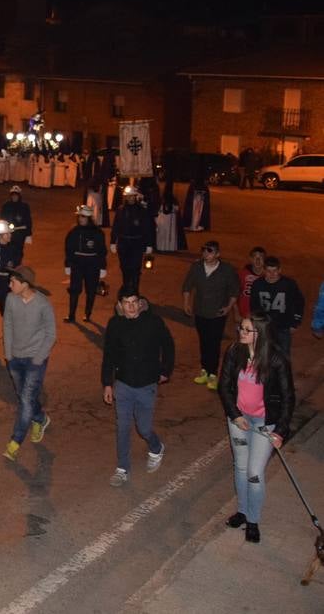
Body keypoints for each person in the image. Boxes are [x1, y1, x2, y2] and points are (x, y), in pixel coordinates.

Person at [217, 312, 295, 543]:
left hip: (264, 423)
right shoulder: (234, 352)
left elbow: (288, 397)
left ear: (259, 334)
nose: (241, 332)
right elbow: (224, 387)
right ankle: (242, 511)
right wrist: (235, 415)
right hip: (239, 421)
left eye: (247, 329)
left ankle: (253, 520)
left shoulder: (276, 360)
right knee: (240, 467)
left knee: (254, 473)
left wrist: (280, 431)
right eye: (241, 328)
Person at [101, 288, 173, 487]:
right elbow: (109, 355)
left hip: (146, 385)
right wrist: (107, 383)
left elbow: (168, 345)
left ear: (141, 303)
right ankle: (122, 468)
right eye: (127, 302)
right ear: (120, 305)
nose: (131, 306)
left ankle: (156, 447)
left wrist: (165, 370)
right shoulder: (115, 324)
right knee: (123, 426)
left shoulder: (153, 323)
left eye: (134, 302)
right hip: (123, 384)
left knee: (144, 428)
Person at [2, 267, 56, 462]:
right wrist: (8, 355)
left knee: (25, 400)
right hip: (15, 358)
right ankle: (40, 418)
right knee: (24, 396)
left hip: (35, 360)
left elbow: (51, 334)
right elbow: (7, 325)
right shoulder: (10, 299)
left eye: (13, 282)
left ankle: (15, 443)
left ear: (25, 284)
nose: (10, 285)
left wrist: (39, 358)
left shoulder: (43, 304)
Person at [181, 240, 240, 390]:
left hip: (217, 314)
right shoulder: (197, 267)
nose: (206, 254)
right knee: (204, 341)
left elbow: (234, 290)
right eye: (204, 250)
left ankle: (213, 374)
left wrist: (228, 308)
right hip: (200, 312)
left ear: (217, 254)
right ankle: (204, 370)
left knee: (214, 343)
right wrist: (186, 303)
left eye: (210, 251)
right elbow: (187, 286)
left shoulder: (226, 270)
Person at [249, 256, 305, 358]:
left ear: (280, 270)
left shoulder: (289, 284)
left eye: (275, 271)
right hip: (265, 327)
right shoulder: (258, 284)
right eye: (268, 271)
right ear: (264, 270)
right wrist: (256, 323)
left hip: (283, 326)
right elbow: (254, 305)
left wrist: (295, 322)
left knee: (283, 357)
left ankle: (283, 374)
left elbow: (299, 302)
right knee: (264, 356)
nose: (272, 274)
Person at [62, 205, 108, 323]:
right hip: (77, 264)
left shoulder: (97, 233)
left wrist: (102, 267)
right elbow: (68, 249)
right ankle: (71, 315)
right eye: (79, 216)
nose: (80, 219)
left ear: (88, 218)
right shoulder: (74, 231)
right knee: (74, 290)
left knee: (91, 290)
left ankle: (87, 314)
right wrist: (68, 264)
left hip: (92, 265)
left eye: (83, 217)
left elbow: (102, 251)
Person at [110, 186, 154, 293]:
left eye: (132, 196)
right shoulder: (120, 210)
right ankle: (126, 288)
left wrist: (149, 244)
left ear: (135, 197)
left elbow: (147, 228)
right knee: (124, 268)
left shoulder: (142, 211)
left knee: (135, 268)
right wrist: (112, 242)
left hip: (137, 244)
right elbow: (116, 226)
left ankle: (134, 289)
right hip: (123, 243)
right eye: (128, 196)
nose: (130, 199)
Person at [0, 186, 33, 263]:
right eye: (13, 196)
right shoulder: (6, 206)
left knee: (18, 250)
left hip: (20, 233)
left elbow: (28, 220)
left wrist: (29, 234)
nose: (14, 197)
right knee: (7, 248)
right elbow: (2, 218)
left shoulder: (24, 206)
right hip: (8, 232)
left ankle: (17, 263)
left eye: (16, 195)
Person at [154, 182, 186, 252]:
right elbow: (177, 209)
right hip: (168, 218)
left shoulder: (162, 199)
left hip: (165, 218)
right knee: (167, 234)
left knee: (164, 233)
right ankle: (167, 247)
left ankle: (162, 247)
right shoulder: (170, 200)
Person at [239, 247, 266, 319]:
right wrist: (236, 312)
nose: (258, 260)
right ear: (250, 259)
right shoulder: (243, 274)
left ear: (265, 260)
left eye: (261, 257)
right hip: (245, 314)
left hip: (263, 315)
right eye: (255, 257)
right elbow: (235, 293)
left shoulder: (269, 275)